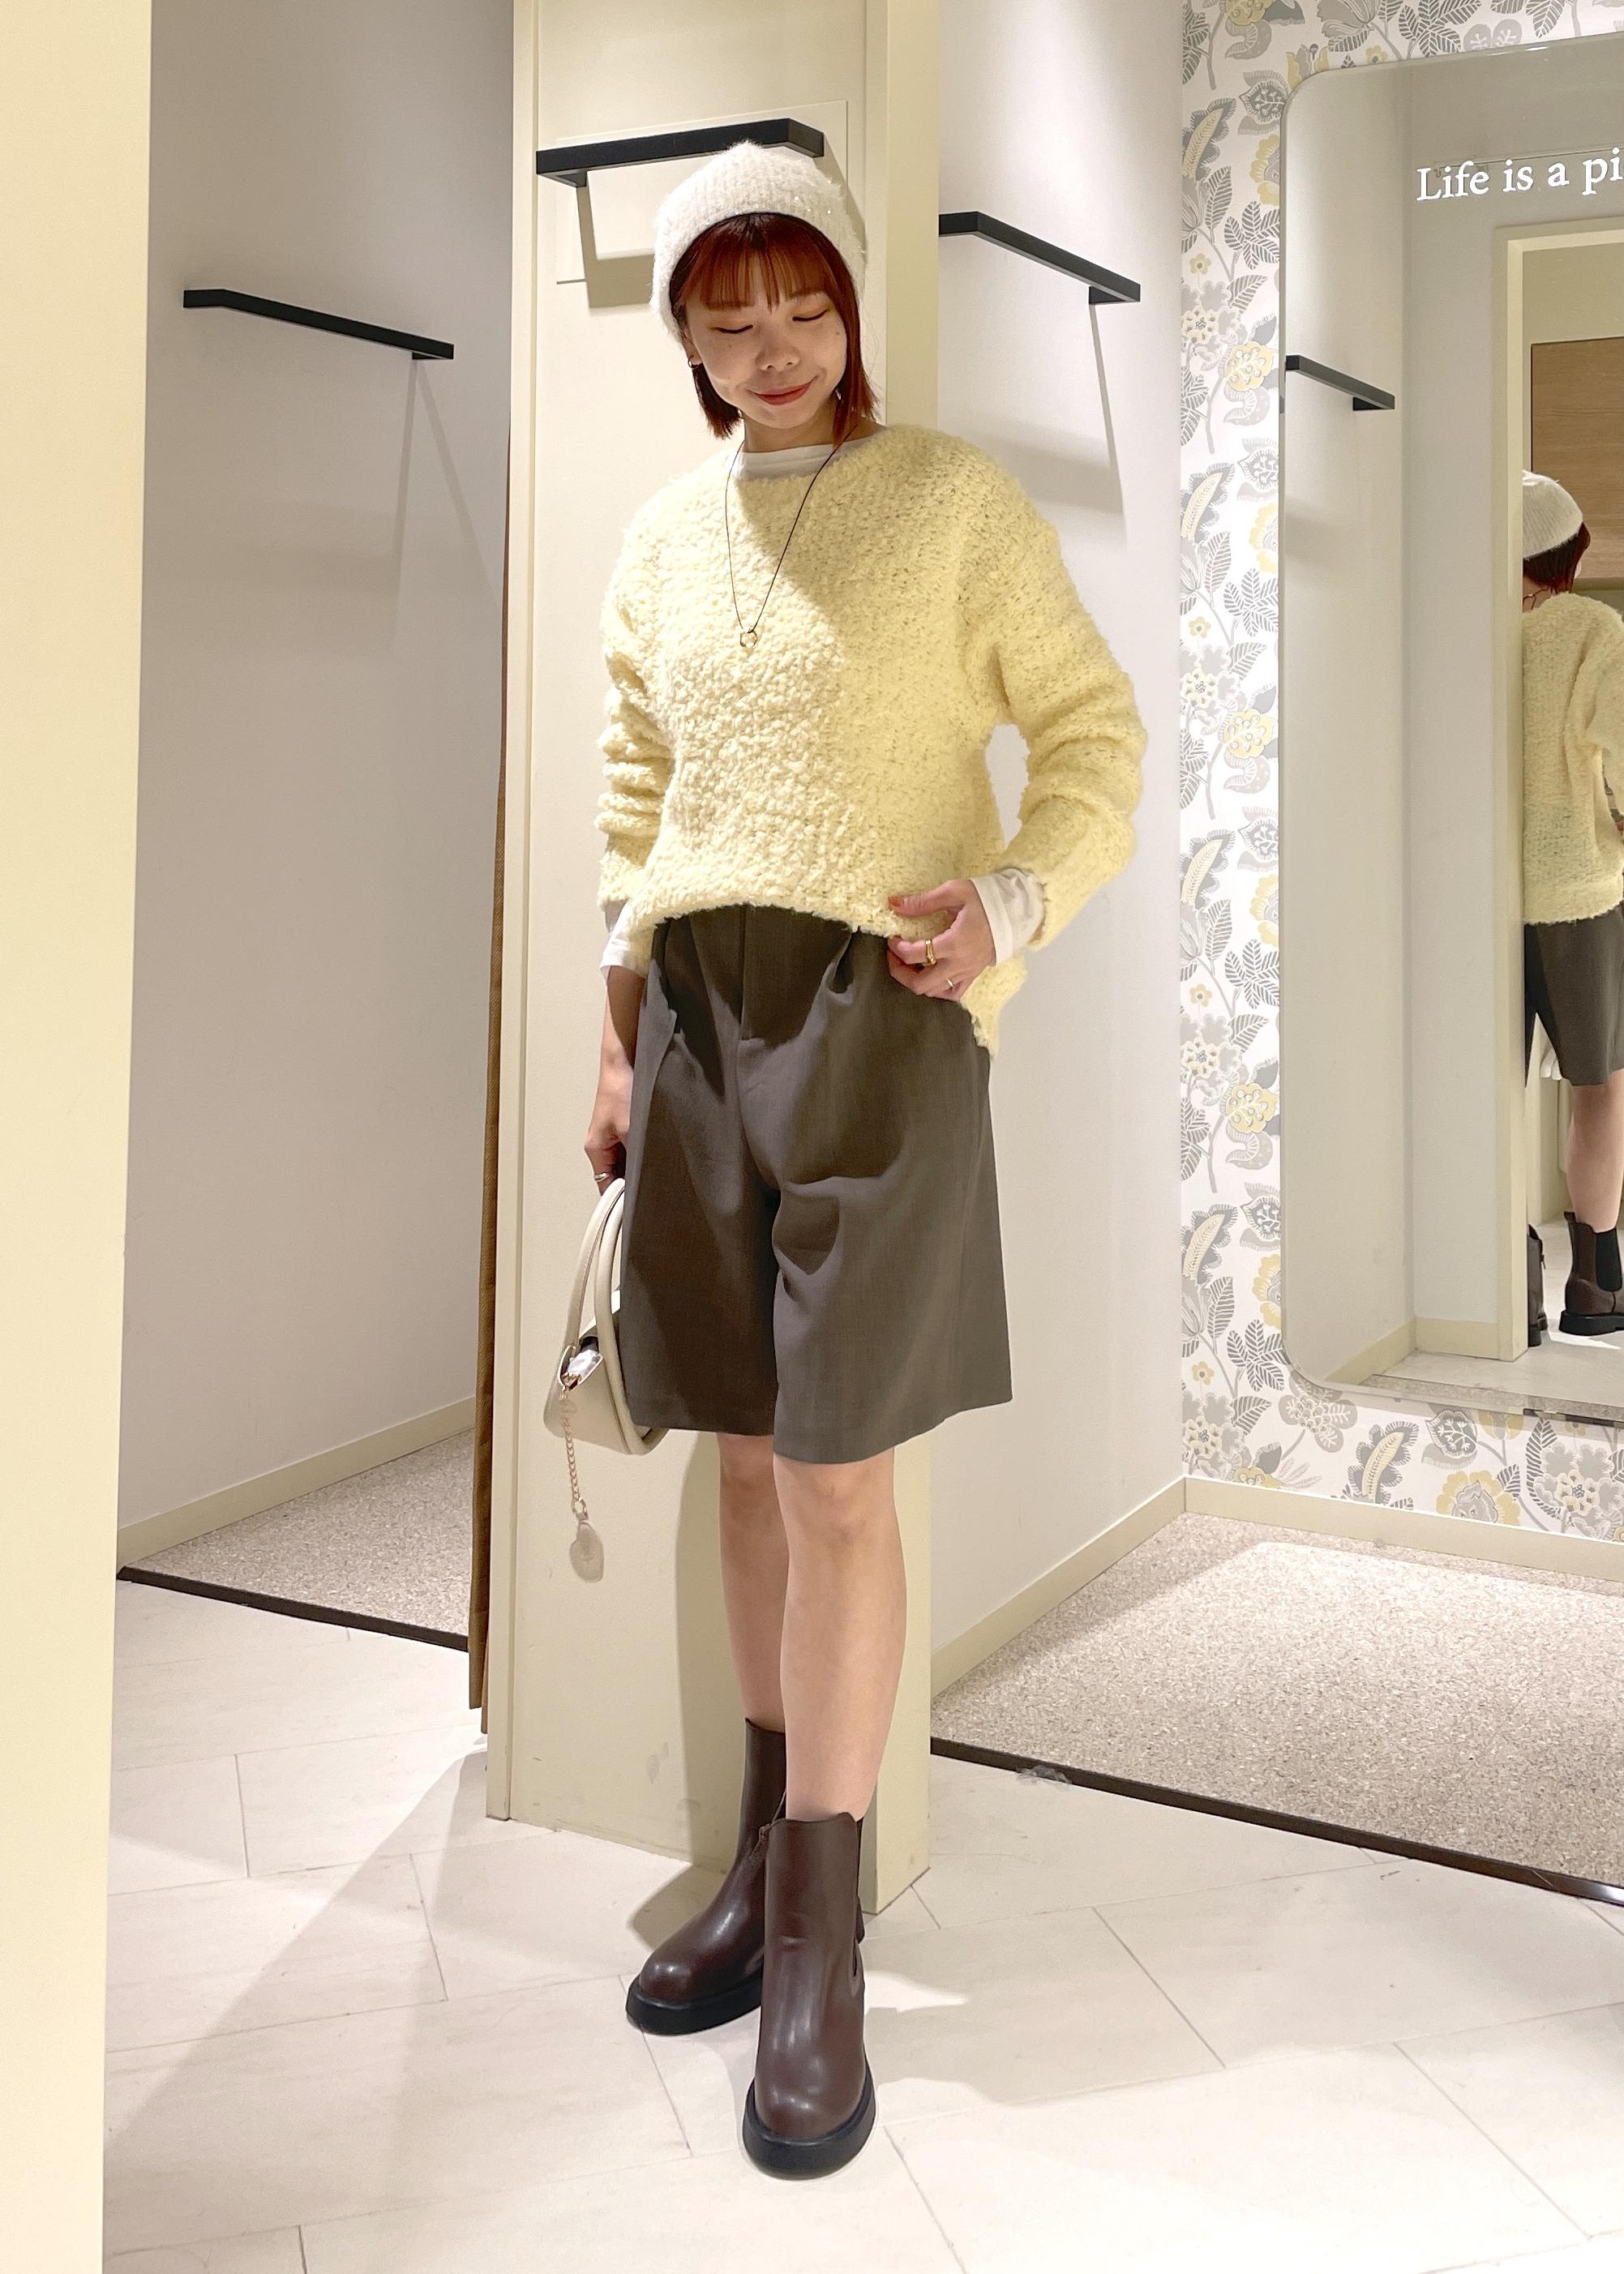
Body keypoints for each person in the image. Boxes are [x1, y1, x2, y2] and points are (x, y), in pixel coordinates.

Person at [580, 139, 1146, 2180]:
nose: (769, 348)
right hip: (697, 1022)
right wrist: (617, 1037)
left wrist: (1012, 900)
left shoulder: (951, 501)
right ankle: (758, 1868)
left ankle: (820, 1928)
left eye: (800, 305)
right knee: (742, 1455)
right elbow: (633, 797)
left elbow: (1092, 734)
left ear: (849, 299)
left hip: (878, 1017)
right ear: (684, 336)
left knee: (834, 1471)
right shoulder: (661, 536)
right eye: (725, 319)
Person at [1522, 468, 1624, 1335]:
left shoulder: (1460, 628)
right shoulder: (1591, 629)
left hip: (1469, 894)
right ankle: (1594, 1286)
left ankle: (1498, 1288)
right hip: (1576, 892)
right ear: (1568, 554)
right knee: (1598, 1086)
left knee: (1477, 1085)